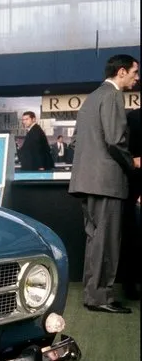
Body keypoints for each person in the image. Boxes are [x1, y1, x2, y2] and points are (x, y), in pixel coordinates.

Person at [68, 54, 140, 314]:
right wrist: (132, 163)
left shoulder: (91, 98)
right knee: (106, 242)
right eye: (134, 72)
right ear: (121, 72)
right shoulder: (112, 96)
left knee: (95, 241)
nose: (136, 77)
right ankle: (100, 298)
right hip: (106, 183)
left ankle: (94, 295)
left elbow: (75, 143)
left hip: (86, 182)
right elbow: (114, 140)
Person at [118, 107, 141, 300]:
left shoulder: (131, 117)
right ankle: (130, 286)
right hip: (133, 186)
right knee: (131, 237)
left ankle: (129, 286)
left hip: (131, 186)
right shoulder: (132, 117)